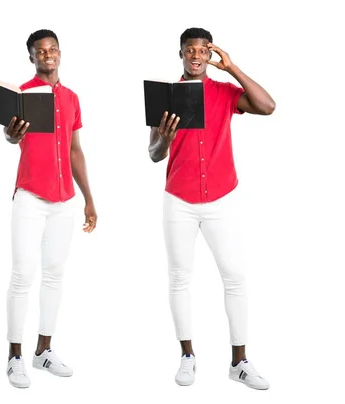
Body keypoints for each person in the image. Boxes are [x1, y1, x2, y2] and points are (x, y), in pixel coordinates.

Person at [148, 27, 275, 390]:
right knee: (180, 278)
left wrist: (232, 68)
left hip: (222, 197)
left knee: (234, 276)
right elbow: (154, 155)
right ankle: (187, 356)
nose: (197, 55)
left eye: (204, 50)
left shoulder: (224, 92)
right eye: (190, 50)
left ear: (211, 55)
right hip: (179, 199)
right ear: (181, 54)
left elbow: (267, 106)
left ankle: (239, 361)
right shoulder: (164, 96)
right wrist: (164, 138)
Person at [2, 29, 97, 389]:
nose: (48, 55)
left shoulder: (72, 98)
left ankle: (43, 350)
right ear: (32, 57)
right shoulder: (23, 94)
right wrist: (12, 134)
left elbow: (75, 150)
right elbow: (11, 137)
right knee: (22, 275)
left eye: (53, 49)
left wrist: (88, 197)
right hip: (29, 195)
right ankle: (14, 357)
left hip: (64, 201)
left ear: (60, 53)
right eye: (41, 51)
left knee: (55, 275)